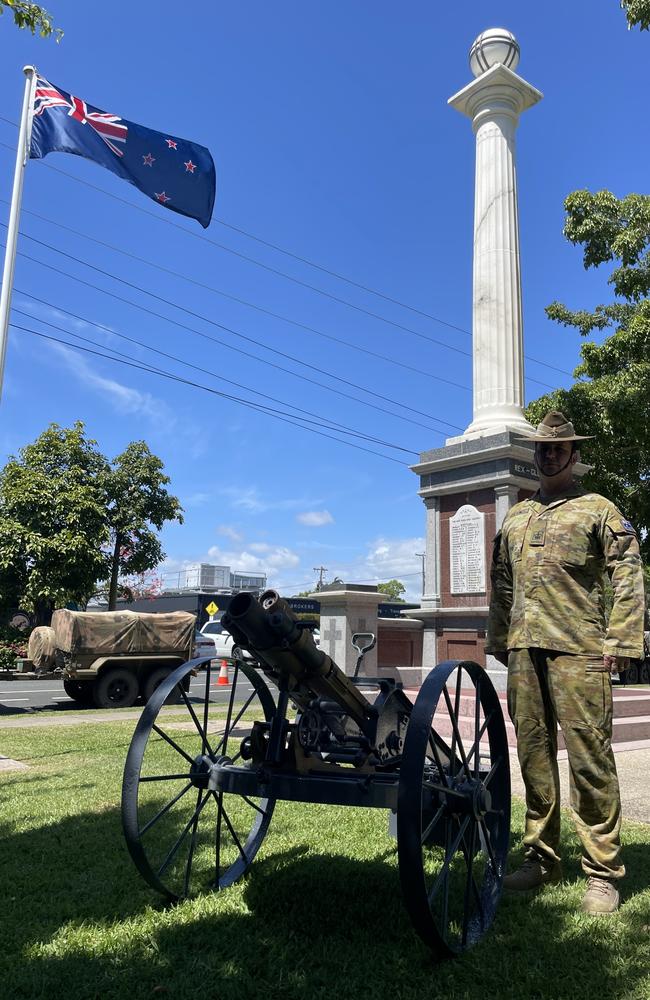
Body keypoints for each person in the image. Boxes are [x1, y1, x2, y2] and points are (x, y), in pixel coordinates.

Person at [486, 410, 645, 914]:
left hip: (581, 651)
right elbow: (502, 582)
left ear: (575, 456)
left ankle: (601, 873)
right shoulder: (516, 515)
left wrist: (621, 642)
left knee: (589, 760)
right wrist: (499, 637)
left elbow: (627, 573)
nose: (549, 454)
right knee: (533, 756)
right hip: (524, 650)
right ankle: (541, 858)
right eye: (543, 448)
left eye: (559, 448)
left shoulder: (598, 509)